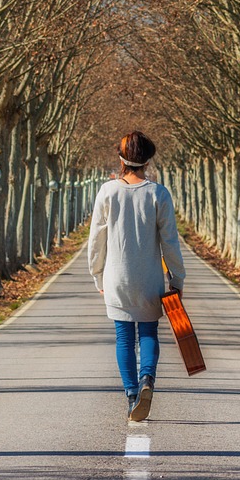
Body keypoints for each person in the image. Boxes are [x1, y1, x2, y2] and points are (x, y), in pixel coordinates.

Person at [87, 130, 186, 422]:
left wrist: (97, 275)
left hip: (116, 278)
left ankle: (132, 395)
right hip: (149, 278)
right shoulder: (158, 193)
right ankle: (147, 380)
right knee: (148, 332)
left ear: (121, 158)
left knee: (123, 337)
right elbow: (170, 242)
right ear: (147, 160)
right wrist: (177, 280)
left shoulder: (107, 191)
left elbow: (96, 239)